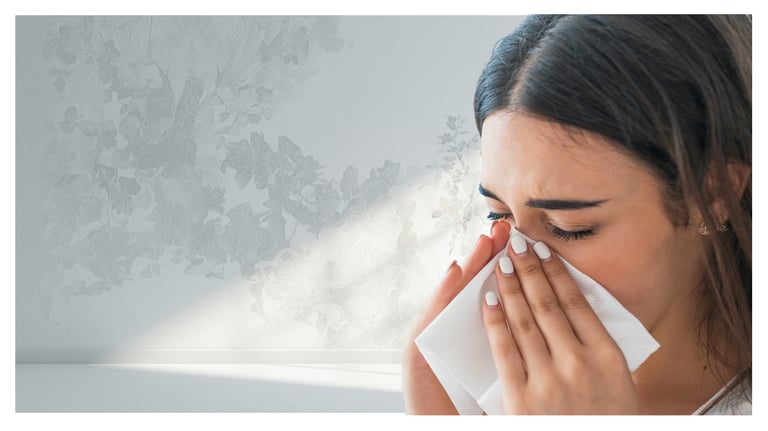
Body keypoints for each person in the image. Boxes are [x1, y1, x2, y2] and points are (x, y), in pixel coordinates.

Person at [402, 15, 751, 415]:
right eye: (498, 215)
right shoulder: (486, 395)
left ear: (713, 194)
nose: (518, 258)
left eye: (570, 229)